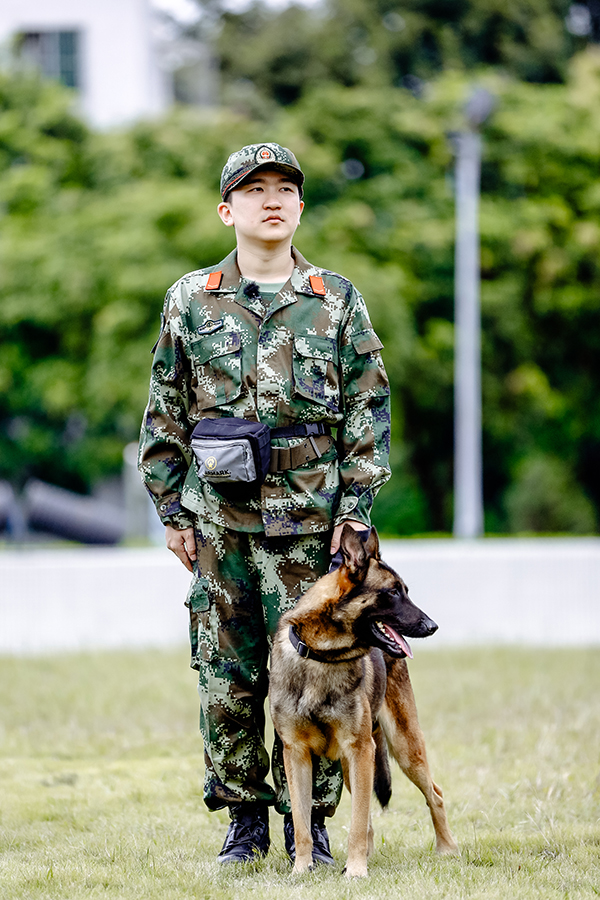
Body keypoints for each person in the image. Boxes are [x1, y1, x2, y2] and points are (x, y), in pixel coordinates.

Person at [138, 142, 391, 865]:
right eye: (254, 190)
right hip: (220, 526)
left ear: (301, 206)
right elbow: (165, 410)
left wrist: (356, 511)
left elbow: (367, 409)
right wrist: (172, 511)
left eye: (284, 188)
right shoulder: (192, 299)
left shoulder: (335, 298)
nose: (271, 199)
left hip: (311, 528)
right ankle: (244, 820)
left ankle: (307, 826)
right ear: (228, 210)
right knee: (228, 673)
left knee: (319, 676)